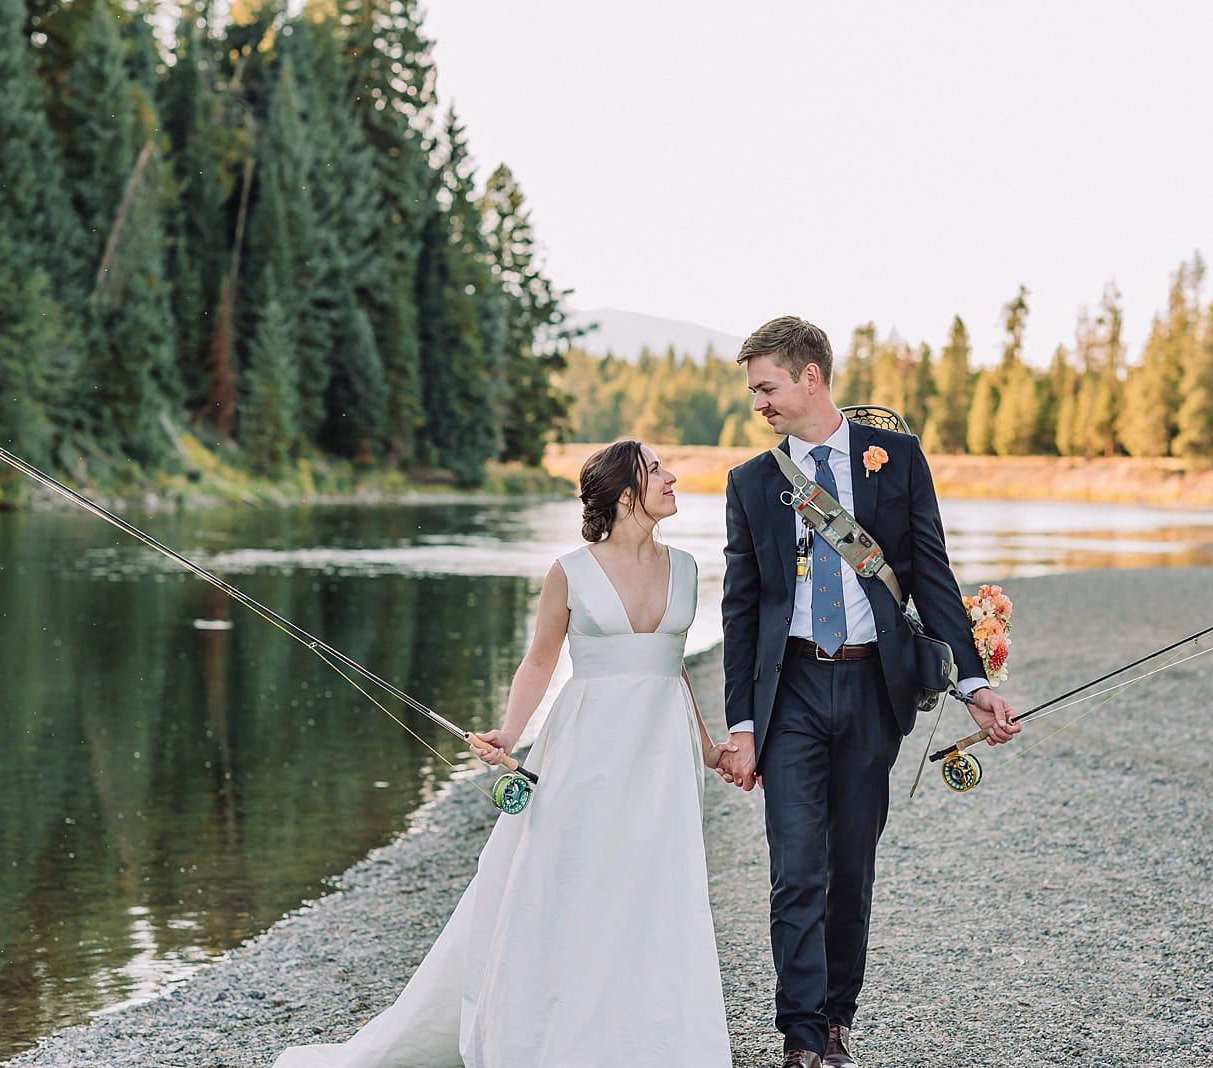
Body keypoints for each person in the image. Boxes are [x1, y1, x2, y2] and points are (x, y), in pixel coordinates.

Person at [273, 440, 735, 1068]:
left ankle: (651, 1037)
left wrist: (707, 747)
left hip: (664, 755)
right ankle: (555, 1035)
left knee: (656, 886)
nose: (673, 477)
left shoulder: (685, 567)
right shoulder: (570, 571)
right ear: (627, 495)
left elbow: (673, 666)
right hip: (586, 748)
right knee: (575, 880)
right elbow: (540, 659)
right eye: (657, 471)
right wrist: (510, 734)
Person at [716, 316, 1021, 1068]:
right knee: (796, 867)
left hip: (870, 685)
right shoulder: (752, 483)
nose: (759, 403)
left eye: (767, 387)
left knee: (851, 867)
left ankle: (834, 1026)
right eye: (755, 390)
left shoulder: (898, 459)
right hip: (788, 694)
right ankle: (797, 1034)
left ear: (809, 377)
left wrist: (972, 683)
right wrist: (743, 724)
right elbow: (740, 606)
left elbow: (933, 573)